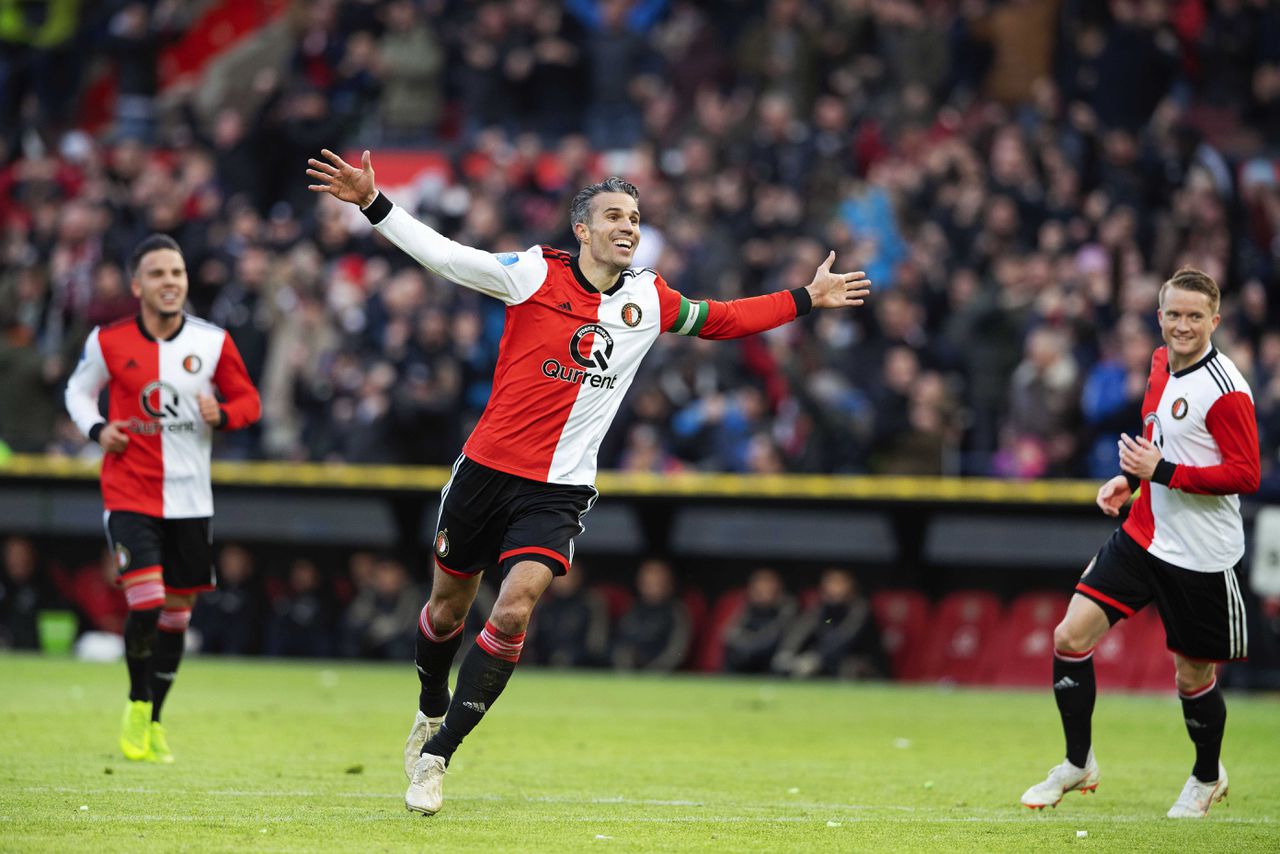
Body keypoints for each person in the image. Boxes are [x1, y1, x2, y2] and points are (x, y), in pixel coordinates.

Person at [305, 148, 871, 816]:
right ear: (584, 229)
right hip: (486, 473)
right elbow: (447, 256)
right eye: (613, 215)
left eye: (634, 216)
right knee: (446, 612)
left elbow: (721, 318)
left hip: (560, 489)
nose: (628, 225)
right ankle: (431, 705)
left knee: (513, 608)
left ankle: (438, 756)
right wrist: (375, 204)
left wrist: (807, 297)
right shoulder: (532, 273)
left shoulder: (649, 299)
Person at [1020, 268, 1260, 818]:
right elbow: (1157, 437)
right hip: (1144, 533)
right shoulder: (1157, 365)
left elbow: (1247, 475)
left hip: (1201, 555)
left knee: (1193, 676)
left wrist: (1164, 471)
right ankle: (1077, 762)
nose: (1182, 325)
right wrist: (1130, 481)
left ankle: (1205, 777)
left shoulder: (1227, 391)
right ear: (1160, 317)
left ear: (1214, 321)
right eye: (1173, 314)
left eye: (1195, 316)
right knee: (1069, 636)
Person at [64, 234, 261, 764]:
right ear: (137, 285)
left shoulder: (212, 342)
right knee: (147, 603)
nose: (169, 282)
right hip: (130, 491)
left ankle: (154, 720)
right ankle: (135, 701)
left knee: (177, 616)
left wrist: (225, 414)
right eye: (157, 274)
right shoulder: (108, 342)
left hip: (192, 500)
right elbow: (77, 392)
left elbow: (248, 400)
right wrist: (98, 428)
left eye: (176, 272)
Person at [611, 558, 692, 672]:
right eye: (648, 581)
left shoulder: (676, 612)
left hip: (660, 678)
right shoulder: (630, 609)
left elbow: (676, 652)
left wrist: (651, 673)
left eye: (658, 581)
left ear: (669, 583)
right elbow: (617, 644)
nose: (653, 586)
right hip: (625, 676)